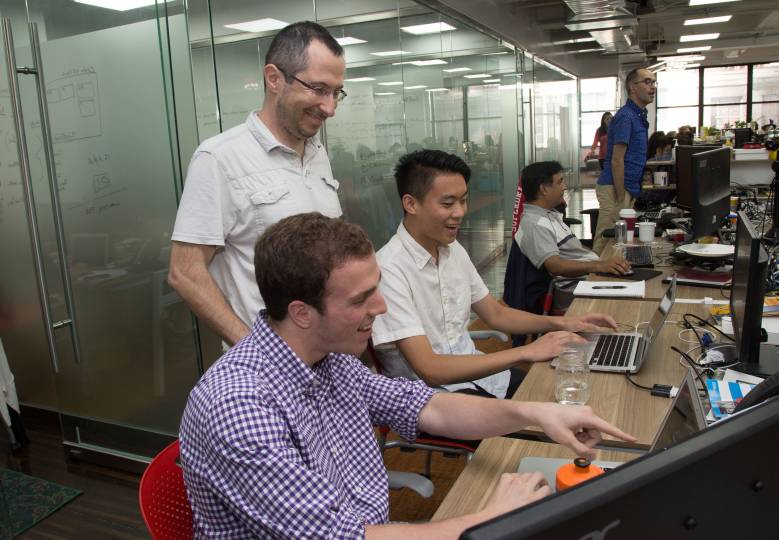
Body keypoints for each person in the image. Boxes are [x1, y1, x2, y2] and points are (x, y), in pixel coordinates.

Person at [179, 212, 637, 538]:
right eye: (361, 299)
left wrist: (534, 413)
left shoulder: (328, 358)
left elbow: (427, 405)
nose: (380, 308)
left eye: (377, 289)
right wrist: (490, 517)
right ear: (301, 313)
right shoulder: (238, 407)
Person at [372, 150, 618, 401]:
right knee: (548, 422)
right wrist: (527, 351)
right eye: (447, 203)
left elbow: (496, 313)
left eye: (463, 200)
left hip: (482, 378)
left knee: (566, 393)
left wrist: (563, 323)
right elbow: (430, 370)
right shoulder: (389, 270)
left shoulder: (452, 250)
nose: (459, 212)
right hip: (432, 400)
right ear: (411, 203)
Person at [168, 21, 346, 346]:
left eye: (336, 93)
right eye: (318, 89)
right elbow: (185, 273)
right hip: (266, 376)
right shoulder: (219, 158)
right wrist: (257, 352)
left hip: (329, 357)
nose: (330, 107)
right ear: (274, 78)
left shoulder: (317, 153)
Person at [515, 162, 630, 279]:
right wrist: (599, 265)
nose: (564, 187)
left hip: (591, 275)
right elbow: (555, 266)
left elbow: (575, 249)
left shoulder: (549, 214)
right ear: (543, 189)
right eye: (560, 182)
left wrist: (601, 260)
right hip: (576, 286)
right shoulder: (535, 224)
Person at [593, 67, 656, 255]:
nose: (652, 87)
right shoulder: (626, 116)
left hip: (626, 186)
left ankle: (607, 277)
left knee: (617, 241)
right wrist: (620, 196)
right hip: (615, 187)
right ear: (632, 87)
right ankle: (592, 277)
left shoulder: (638, 115)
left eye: (653, 82)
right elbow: (616, 160)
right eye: (647, 82)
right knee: (606, 240)